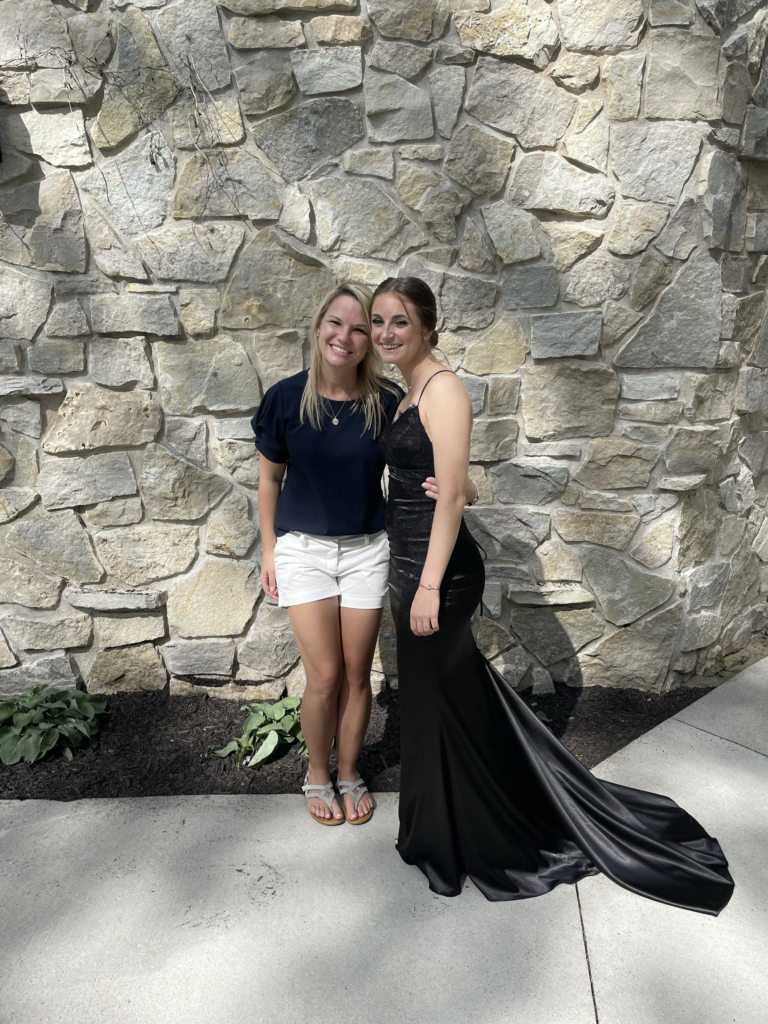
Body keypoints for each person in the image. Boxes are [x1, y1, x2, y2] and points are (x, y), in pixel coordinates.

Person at [372, 275, 735, 915]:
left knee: (439, 702)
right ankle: (438, 829)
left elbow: (451, 499)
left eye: (399, 320)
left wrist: (428, 584)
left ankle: (475, 836)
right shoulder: (408, 393)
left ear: (427, 325)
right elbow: (455, 482)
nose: (385, 333)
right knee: (437, 704)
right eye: (378, 321)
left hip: (438, 576)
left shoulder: (443, 388)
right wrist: (456, 494)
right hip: (408, 567)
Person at [252, 283, 477, 827]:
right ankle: (317, 774)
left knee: (357, 676)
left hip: (367, 551)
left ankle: (349, 773)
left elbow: (429, 462)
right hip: (302, 551)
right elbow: (268, 480)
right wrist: (269, 550)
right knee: (325, 676)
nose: (347, 337)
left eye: (360, 328)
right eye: (338, 323)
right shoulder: (285, 398)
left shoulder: (384, 401)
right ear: (318, 326)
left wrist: (465, 490)